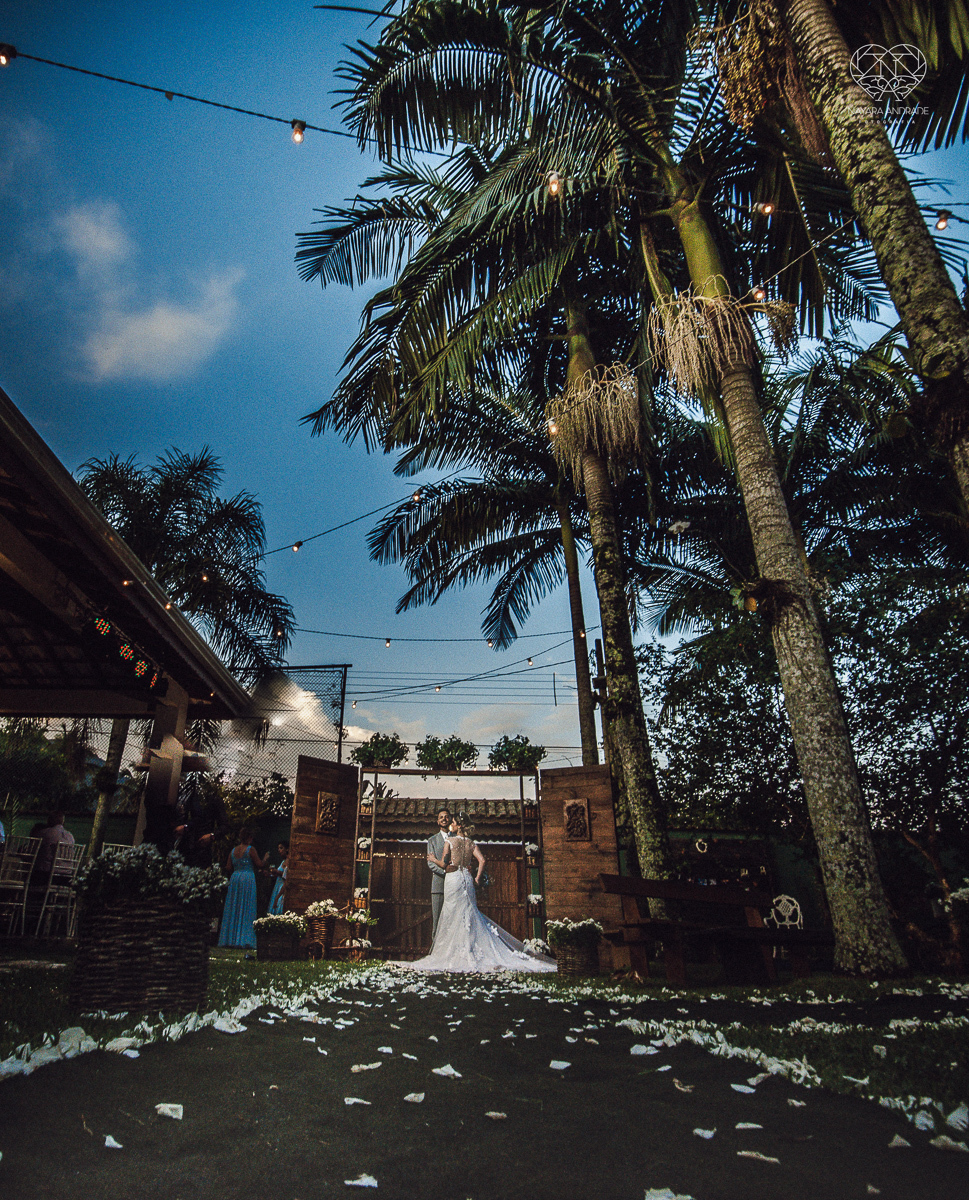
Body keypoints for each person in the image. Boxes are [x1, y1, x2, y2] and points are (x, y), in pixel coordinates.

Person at [406, 815, 556, 974]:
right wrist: (477, 878)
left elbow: (444, 864)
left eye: (454, 823)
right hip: (467, 879)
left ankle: (454, 952)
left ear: (458, 826)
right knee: (469, 913)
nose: (451, 825)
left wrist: (433, 859)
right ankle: (470, 948)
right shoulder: (471, 843)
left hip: (453, 879)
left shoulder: (449, 841)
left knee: (452, 913)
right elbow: (482, 860)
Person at [217, 827, 268, 949]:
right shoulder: (250, 849)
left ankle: (230, 938)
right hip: (247, 878)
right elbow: (259, 864)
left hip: (235, 878)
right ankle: (244, 938)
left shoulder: (233, 850)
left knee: (234, 906)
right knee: (246, 906)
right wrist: (265, 858)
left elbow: (228, 867)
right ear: (249, 838)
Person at [426, 808, 451, 939]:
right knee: (437, 922)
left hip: (454, 886)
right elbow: (431, 864)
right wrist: (447, 872)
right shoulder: (432, 841)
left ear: (450, 819)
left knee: (452, 922)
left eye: (446, 817)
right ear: (437, 821)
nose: (444, 819)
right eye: (441, 817)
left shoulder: (456, 838)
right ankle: (435, 953)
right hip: (438, 886)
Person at [267, 841, 289, 915]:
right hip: (278, 885)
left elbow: (287, 875)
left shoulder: (289, 861)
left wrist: (277, 872)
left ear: (287, 849)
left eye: (281, 848)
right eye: (278, 848)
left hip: (282, 886)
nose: (279, 850)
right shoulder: (283, 861)